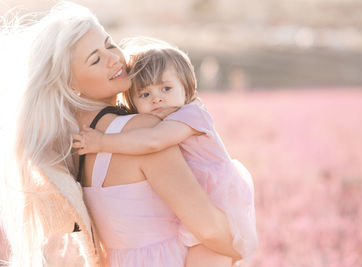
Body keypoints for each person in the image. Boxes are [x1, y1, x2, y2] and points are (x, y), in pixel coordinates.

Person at [0, 2, 239, 266]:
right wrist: (242, 244)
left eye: (110, 44)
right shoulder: (142, 131)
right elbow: (209, 229)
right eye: (96, 59)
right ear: (70, 84)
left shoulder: (76, 148)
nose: (114, 58)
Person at [73, 39, 258, 266]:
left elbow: (152, 141)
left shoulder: (191, 115)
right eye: (145, 95)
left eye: (166, 89)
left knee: (210, 254)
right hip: (197, 209)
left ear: (188, 89)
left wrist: (101, 143)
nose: (157, 98)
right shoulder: (156, 121)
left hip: (219, 202)